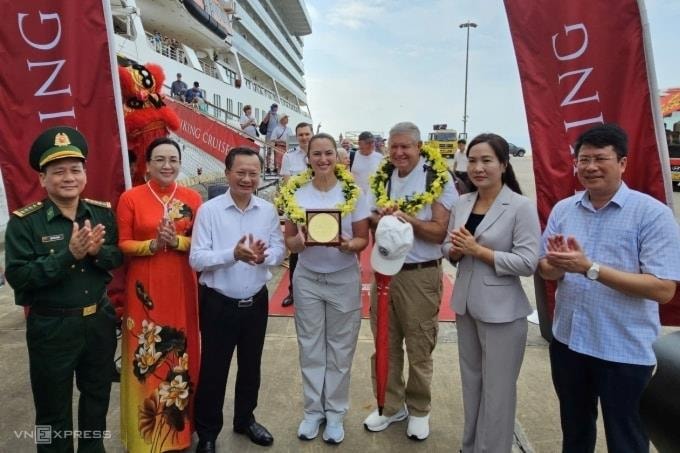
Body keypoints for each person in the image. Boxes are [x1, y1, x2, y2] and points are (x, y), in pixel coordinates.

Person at [537, 123, 680, 453]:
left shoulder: (652, 215)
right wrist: (558, 263)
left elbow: (663, 289)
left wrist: (590, 268)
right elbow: (545, 269)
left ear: (623, 163)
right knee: (574, 432)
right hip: (569, 344)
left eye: (599, 158)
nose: (589, 167)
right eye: (582, 159)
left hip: (623, 351)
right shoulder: (564, 209)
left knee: (626, 438)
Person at [5, 126, 122, 452]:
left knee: (97, 395)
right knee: (51, 409)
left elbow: (116, 256)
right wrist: (68, 256)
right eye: (58, 172)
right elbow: (19, 276)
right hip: (51, 328)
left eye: (75, 169)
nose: (68, 177)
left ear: (85, 174)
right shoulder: (25, 222)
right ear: (43, 179)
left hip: (98, 321)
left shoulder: (100, 213)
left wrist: (98, 252)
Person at [442, 133, 540, 452]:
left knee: (498, 392)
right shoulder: (462, 202)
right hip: (466, 304)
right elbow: (448, 246)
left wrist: (477, 250)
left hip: (503, 312)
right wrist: (455, 251)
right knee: (472, 384)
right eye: (472, 160)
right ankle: (470, 446)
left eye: (486, 160)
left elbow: (528, 262)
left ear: (503, 164)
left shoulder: (520, 206)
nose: (478, 167)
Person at [364, 121, 457, 440]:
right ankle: (390, 406)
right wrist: (384, 217)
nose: (399, 152)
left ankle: (419, 409)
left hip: (420, 274)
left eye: (406, 146)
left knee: (419, 345)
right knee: (385, 343)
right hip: (385, 272)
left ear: (419, 147)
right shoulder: (383, 176)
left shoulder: (436, 177)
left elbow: (439, 232)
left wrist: (409, 220)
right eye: (394, 146)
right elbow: (373, 218)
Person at [190, 148, 285, 451]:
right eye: (240, 172)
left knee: (251, 366)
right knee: (214, 370)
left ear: (260, 175)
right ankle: (207, 432)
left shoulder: (267, 210)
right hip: (218, 303)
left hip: (255, 302)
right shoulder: (210, 211)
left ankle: (245, 420)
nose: (247, 178)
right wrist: (232, 254)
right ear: (228, 173)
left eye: (253, 173)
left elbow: (279, 248)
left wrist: (263, 256)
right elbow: (197, 259)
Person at [281, 133, 370, 444]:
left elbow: (363, 239)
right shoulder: (295, 192)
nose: (322, 159)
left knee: (340, 348)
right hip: (307, 277)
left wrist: (350, 246)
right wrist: (297, 242)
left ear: (338, 156)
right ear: (308, 157)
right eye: (316, 154)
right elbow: (289, 240)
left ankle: (335, 412)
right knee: (310, 345)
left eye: (328, 153)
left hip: (343, 277)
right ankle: (312, 411)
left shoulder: (354, 192)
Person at [116, 137, 202, 453]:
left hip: (181, 285)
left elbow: (203, 244)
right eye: (160, 160)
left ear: (180, 163)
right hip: (144, 290)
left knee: (180, 356)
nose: (167, 166)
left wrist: (177, 241)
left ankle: (178, 434)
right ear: (148, 164)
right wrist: (150, 245)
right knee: (146, 353)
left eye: (173, 160)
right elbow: (122, 243)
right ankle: (144, 437)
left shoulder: (193, 198)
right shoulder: (131, 198)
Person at [279, 122, 313, 307]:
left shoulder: (320, 154)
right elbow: (286, 184)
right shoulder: (289, 157)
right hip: (297, 210)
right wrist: (292, 208)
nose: (304, 137)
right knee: (295, 252)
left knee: (318, 249)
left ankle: (313, 292)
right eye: (301, 135)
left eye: (307, 134)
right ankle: (293, 291)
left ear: (312, 134)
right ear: (297, 137)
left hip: (318, 209)